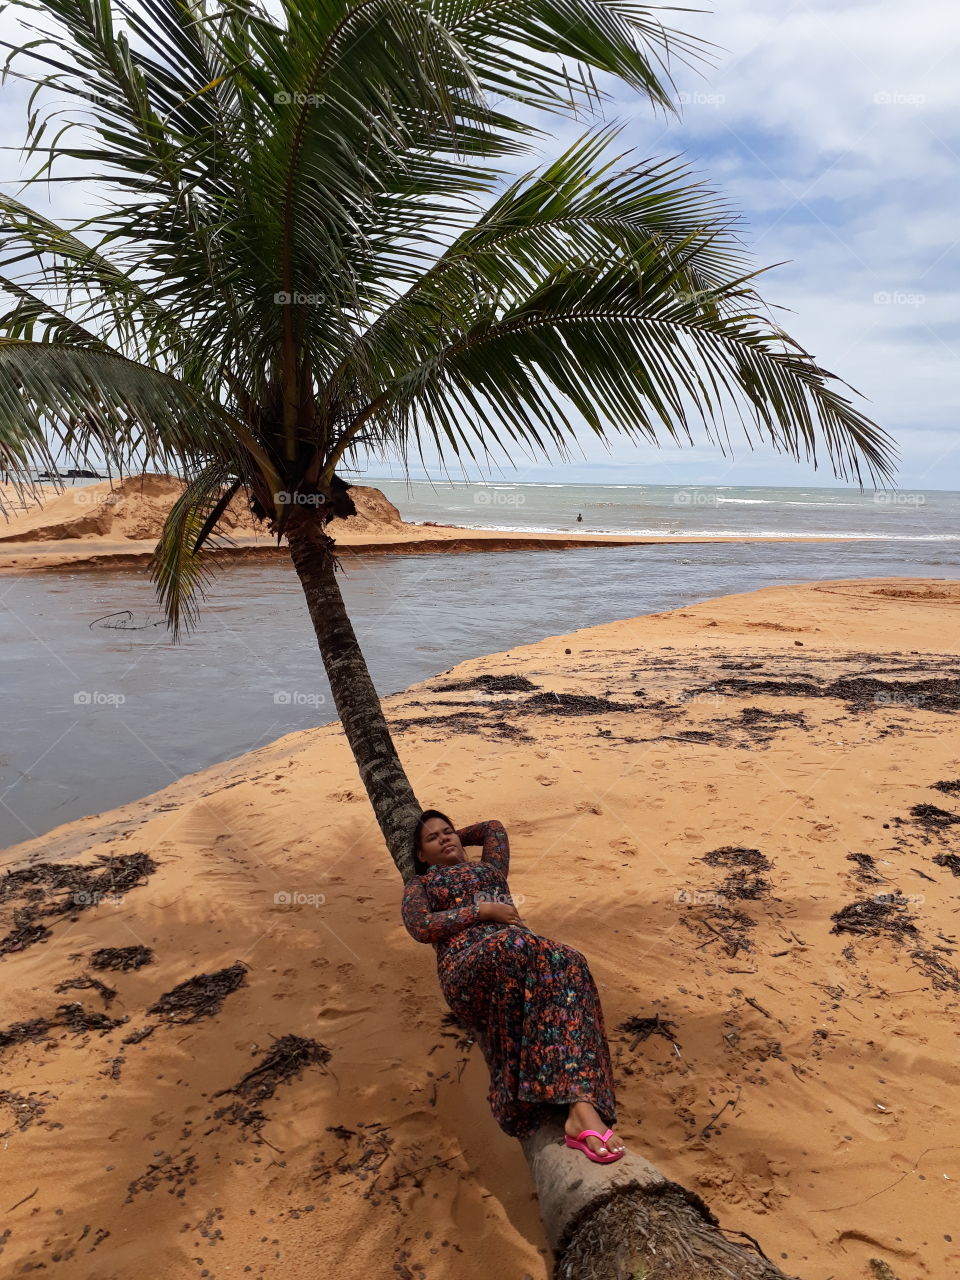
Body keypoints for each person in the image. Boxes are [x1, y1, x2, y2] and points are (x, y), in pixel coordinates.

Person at [401, 811, 625, 1161]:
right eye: (433, 839)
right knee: (517, 944)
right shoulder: (421, 884)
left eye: (449, 832)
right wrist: (483, 911)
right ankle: (542, 1103)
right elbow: (420, 926)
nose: (445, 839)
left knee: (572, 960)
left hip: (522, 958)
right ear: (420, 856)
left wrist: (448, 837)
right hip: (468, 969)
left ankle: (582, 1104)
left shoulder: (491, 869)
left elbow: (493, 828)